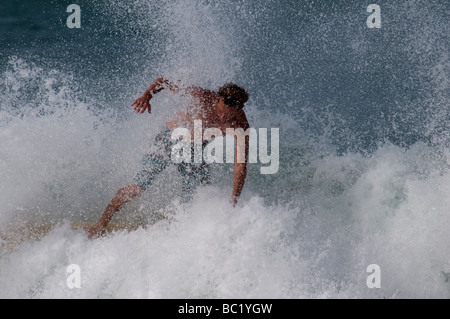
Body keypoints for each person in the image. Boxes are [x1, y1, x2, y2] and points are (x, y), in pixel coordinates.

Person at [87, 77, 250, 239]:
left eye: (228, 116)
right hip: (168, 139)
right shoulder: (203, 96)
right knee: (138, 186)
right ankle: (100, 224)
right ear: (218, 98)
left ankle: (185, 238)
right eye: (220, 111)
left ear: (238, 109)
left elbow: (240, 166)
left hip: (195, 152)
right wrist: (147, 96)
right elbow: (164, 82)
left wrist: (234, 200)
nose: (222, 118)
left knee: (198, 197)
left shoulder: (240, 126)